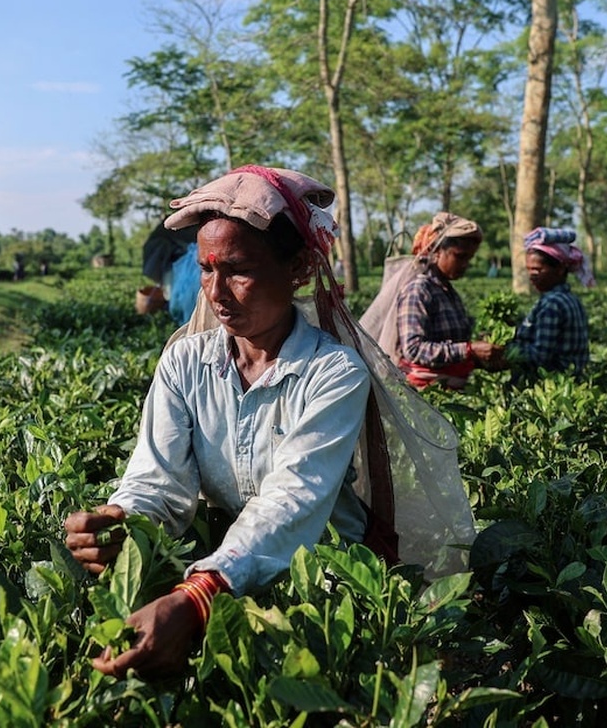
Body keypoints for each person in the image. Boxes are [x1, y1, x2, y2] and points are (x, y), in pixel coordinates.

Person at [64, 166, 375, 679]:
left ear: (297, 268)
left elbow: (291, 502)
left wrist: (199, 593)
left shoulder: (334, 373)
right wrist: (124, 523)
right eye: (207, 269)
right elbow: (157, 481)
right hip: (226, 575)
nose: (216, 291)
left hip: (326, 582)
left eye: (237, 269)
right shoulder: (185, 363)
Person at [391, 213, 505, 389]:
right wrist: (469, 350)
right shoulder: (418, 290)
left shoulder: (447, 291)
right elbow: (414, 349)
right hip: (426, 395)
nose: (465, 264)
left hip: (452, 390)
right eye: (459, 256)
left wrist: (481, 354)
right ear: (437, 252)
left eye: (469, 258)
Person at [507, 228, 592, 376]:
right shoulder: (571, 299)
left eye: (537, 270)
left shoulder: (552, 304)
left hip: (554, 383)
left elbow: (540, 356)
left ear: (559, 269)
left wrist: (504, 349)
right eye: (529, 270)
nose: (532, 276)